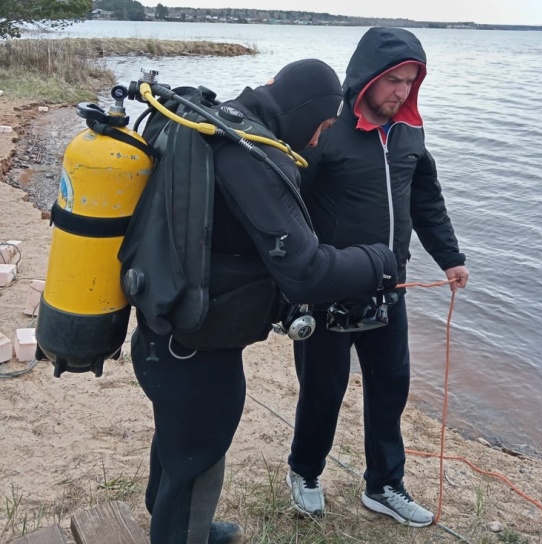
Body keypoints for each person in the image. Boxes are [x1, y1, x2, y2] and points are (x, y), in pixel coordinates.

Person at [126, 59, 399, 544]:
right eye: (322, 126)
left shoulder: (215, 120)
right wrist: (378, 260)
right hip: (195, 344)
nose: (317, 141)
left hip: (163, 323)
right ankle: (180, 534)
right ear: (305, 110)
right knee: (199, 447)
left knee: (178, 438)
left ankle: (180, 524)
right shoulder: (247, 153)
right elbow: (305, 271)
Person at [286, 28, 469, 527]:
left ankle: (384, 485)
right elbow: (289, 204)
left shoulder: (410, 135)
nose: (402, 92)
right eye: (394, 81)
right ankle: (304, 471)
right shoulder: (327, 131)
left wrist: (449, 257)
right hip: (330, 289)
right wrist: (292, 280)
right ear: (367, 78)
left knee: (390, 386)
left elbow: (426, 201)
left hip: (392, 289)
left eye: (411, 82)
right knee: (323, 388)